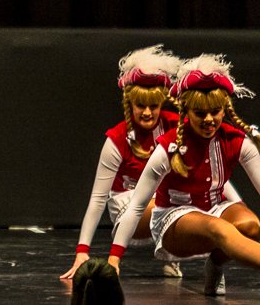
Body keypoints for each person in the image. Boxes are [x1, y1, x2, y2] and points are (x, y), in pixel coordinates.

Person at [107, 53, 260, 296]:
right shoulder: (168, 148)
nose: (209, 120)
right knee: (218, 228)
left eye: (215, 112)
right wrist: (114, 258)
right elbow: (136, 206)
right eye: (200, 113)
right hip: (173, 220)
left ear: (224, 110)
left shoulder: (236, 141)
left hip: (214, 208)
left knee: (250, 226)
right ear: (186, 112)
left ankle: (215, 266)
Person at [61, 45, 186, 280]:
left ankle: (189, 255)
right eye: (141, 106)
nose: (147, 112)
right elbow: (98, 198)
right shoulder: (117, 139)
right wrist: (82, 251)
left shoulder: (175, 126)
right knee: (175, 206)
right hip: (127, 207)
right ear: (130, 105)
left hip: (165, 201)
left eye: (153, 106)